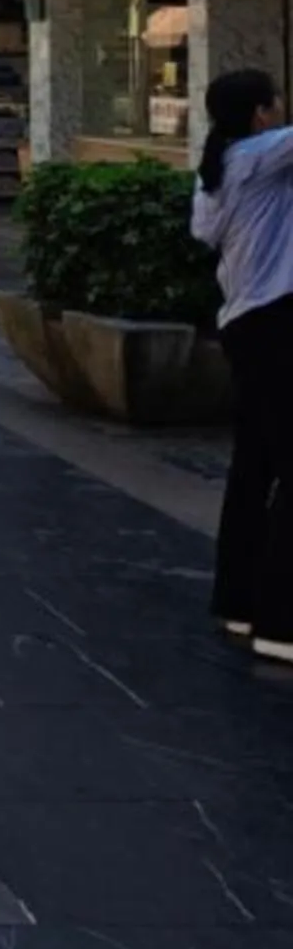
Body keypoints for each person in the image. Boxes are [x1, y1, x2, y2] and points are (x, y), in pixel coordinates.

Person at [192, 67, 293, 661]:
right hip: (278, 323)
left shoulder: (218, 170)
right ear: (259, 112)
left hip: (244, 325)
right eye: (277, 102)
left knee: (254, 465)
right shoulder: (261, 154)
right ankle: (282, 623)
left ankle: (238, 603)